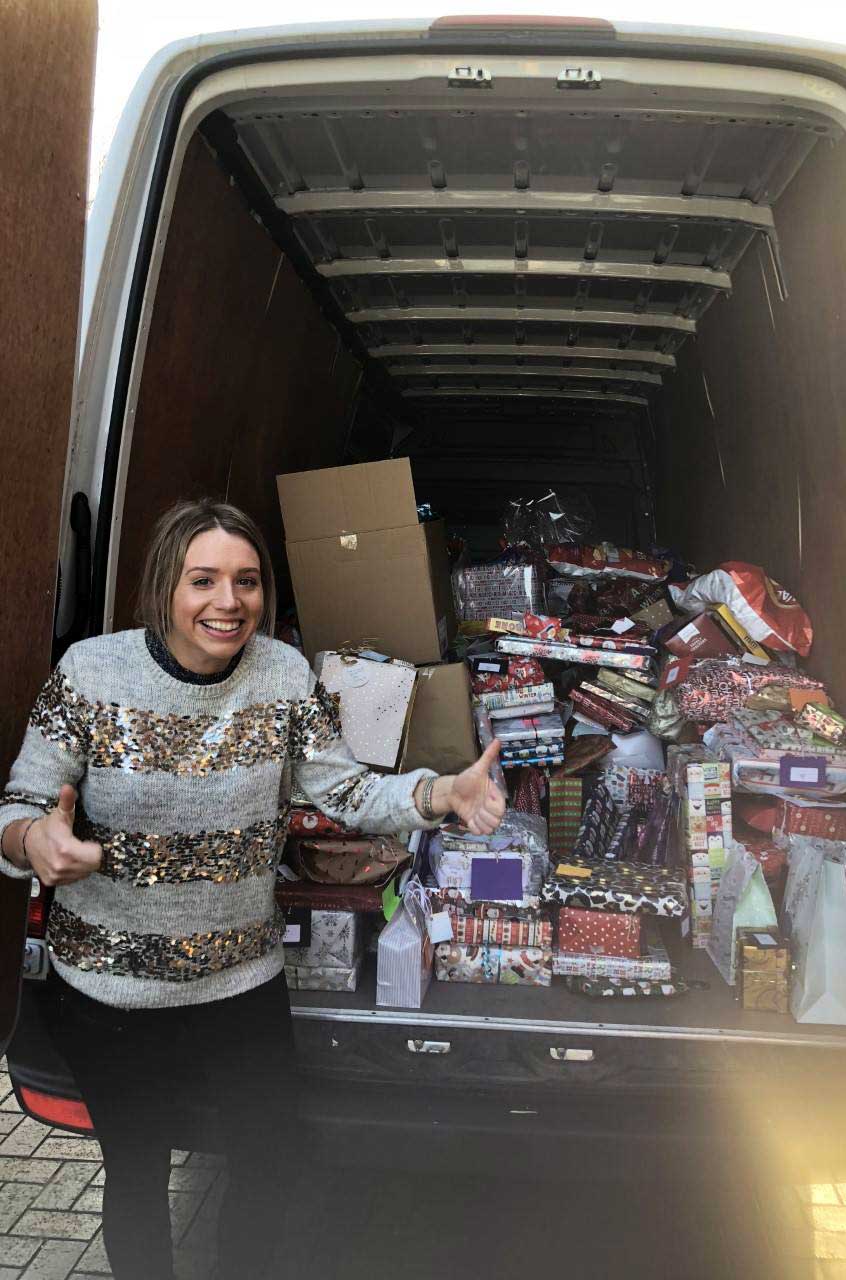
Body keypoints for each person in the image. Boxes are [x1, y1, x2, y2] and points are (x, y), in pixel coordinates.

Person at [0, 498, 505, 1280]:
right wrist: (35, 840)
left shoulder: (283, 674)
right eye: (203, 580)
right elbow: (20, 803)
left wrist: (440, 795)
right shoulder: (92, 672)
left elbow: (341, 792)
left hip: (240, 982)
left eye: (247, 581)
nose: (228, 602)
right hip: (110, 992)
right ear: (165, 584)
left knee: (272, 1161)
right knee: (137, 1174)